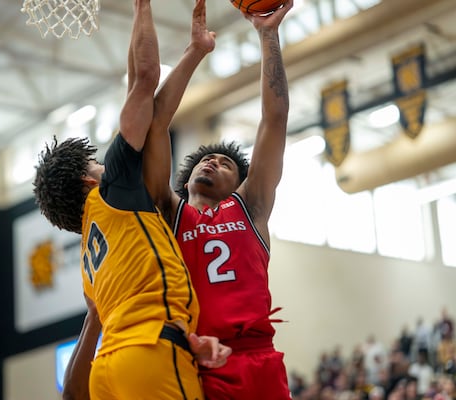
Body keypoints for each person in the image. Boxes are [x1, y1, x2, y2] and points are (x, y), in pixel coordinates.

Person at [33, 1, 229, 399]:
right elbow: (144, 80)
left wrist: (193, 52)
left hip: (109, 370)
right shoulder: (112, 194)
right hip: (149, 354)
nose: (106, 165)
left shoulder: (93, 260)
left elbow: (142, 103)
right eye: (96, 164)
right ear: (90, 180)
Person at [144, 1, 294, 398]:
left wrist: (268, 35)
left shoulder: (251, 206)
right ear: (188, 177)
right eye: (206, 159)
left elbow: (274, 119)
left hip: (258, 356)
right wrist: (194, 54)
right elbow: (156, 122)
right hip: (203, 361)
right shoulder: (170, 212)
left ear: (240, 183)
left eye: (226, 163)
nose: (212, 161)